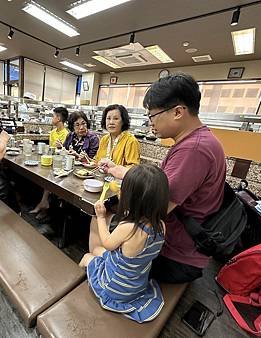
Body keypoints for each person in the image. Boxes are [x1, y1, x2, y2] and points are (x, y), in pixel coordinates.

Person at [95, 74, 226, 283]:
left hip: (175, 256)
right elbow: (162, 182)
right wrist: (120, 171)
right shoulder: (198, 140)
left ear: (177, 112)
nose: (150, 123)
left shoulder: (194, 149)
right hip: (175, 244)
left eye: (152, 116)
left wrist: (115, 200)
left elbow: (154, 207)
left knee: (98, 244)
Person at [79, 164, 169, 323]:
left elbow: (107, 243)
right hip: (137, 284)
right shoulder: (161, 225)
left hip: (115, 289)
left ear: (132, 198)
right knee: (98, 250)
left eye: (124, 189)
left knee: (87, 256)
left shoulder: (128, 228)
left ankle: (80, 286)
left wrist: (101, 216)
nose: (120, 192)